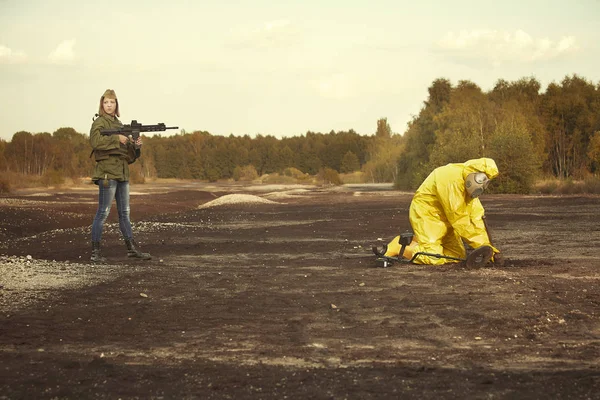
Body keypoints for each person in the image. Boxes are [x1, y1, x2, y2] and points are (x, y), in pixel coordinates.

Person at [383, 157, 501, 265]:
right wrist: (482, 246)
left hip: (446, 218)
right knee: (432, 257)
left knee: (456, 256)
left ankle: (420, 243)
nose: (484, 185)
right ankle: (398, 246)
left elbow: (476, 217)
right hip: (428, 213)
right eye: (483, 179)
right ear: (476, 174)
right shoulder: (451, 179)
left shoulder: (466, 185)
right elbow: (459, 218)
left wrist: (488, 248)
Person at [89, 89, 151, 263]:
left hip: (122, 173)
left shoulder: (119, 124)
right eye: (106, 102)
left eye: (112, 102)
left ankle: (131, 249)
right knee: (103, 212)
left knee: (125, 213)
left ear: (116, 105)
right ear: (102, 104)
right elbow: (95, 142)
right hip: (107, 173)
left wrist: (136, 146)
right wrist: (118, 139)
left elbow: (129, 156)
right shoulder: (99, 123)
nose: (109, 105)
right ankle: (95, 252)